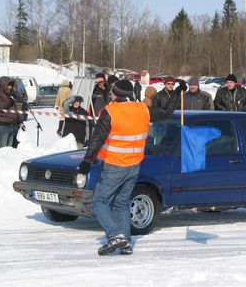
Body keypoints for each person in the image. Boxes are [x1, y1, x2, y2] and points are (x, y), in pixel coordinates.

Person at [78, 79, 187, 256]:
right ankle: (126, 243)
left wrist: (87, 161)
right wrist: (176, 93)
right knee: (121, 203)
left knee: (99, 202)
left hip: (115, 165)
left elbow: (97, 138)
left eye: (112, 91)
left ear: (115, 94)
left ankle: (115, 236)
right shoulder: (142, 109)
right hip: (134, 165)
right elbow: (165, 112)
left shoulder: (110, 112)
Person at [0, 76, 25, 149]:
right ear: (3, 85)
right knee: (2, 150)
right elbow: (2, 106)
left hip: (12, 125)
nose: (10, 87)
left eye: (11, 86)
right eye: (8, 85)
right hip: (2, 125)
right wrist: (10, 98)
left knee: (9, 151)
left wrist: (19, 120)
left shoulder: (9, 96)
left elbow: (15, 110)